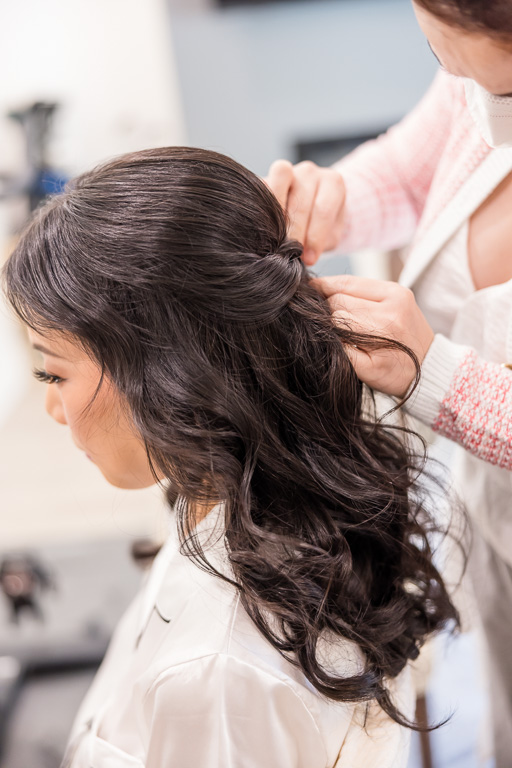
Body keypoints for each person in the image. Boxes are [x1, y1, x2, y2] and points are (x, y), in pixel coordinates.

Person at [2, 147, 457, 767]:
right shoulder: (229, 497)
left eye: (51, 373)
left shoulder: (218, 674)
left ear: (167, 371)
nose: (54, 410)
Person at [265, 1, 512, 763]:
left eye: (496, 85)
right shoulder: (475, 73)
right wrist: (333, 204)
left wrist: (433, 374)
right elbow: (415, 169)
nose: (463, 87)